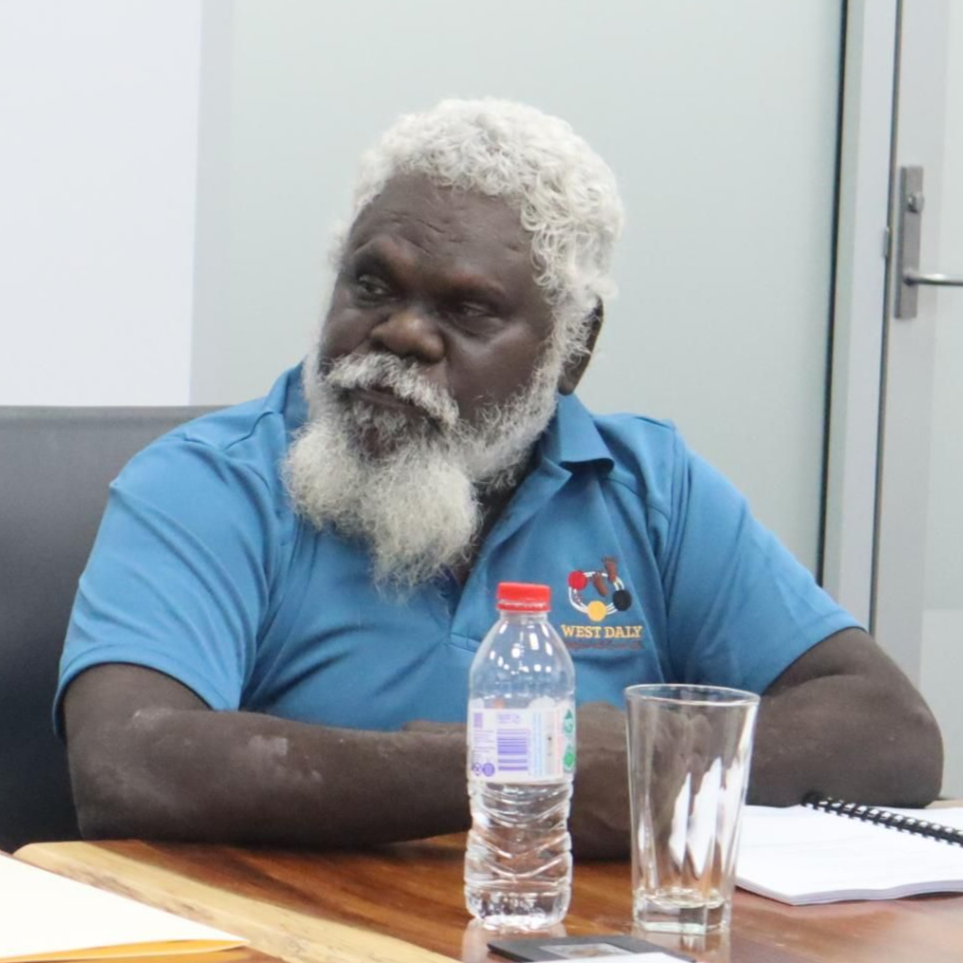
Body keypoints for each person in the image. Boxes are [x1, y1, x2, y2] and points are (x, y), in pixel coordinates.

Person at [58, 99, 942, 858]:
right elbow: (129, 764)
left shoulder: (649, 485)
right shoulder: (212, 481)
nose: (400, 333)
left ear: (573, 349)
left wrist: (637, 760)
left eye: (466, 308)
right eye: (371, 285)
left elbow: (889, 731)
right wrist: (525, 762)